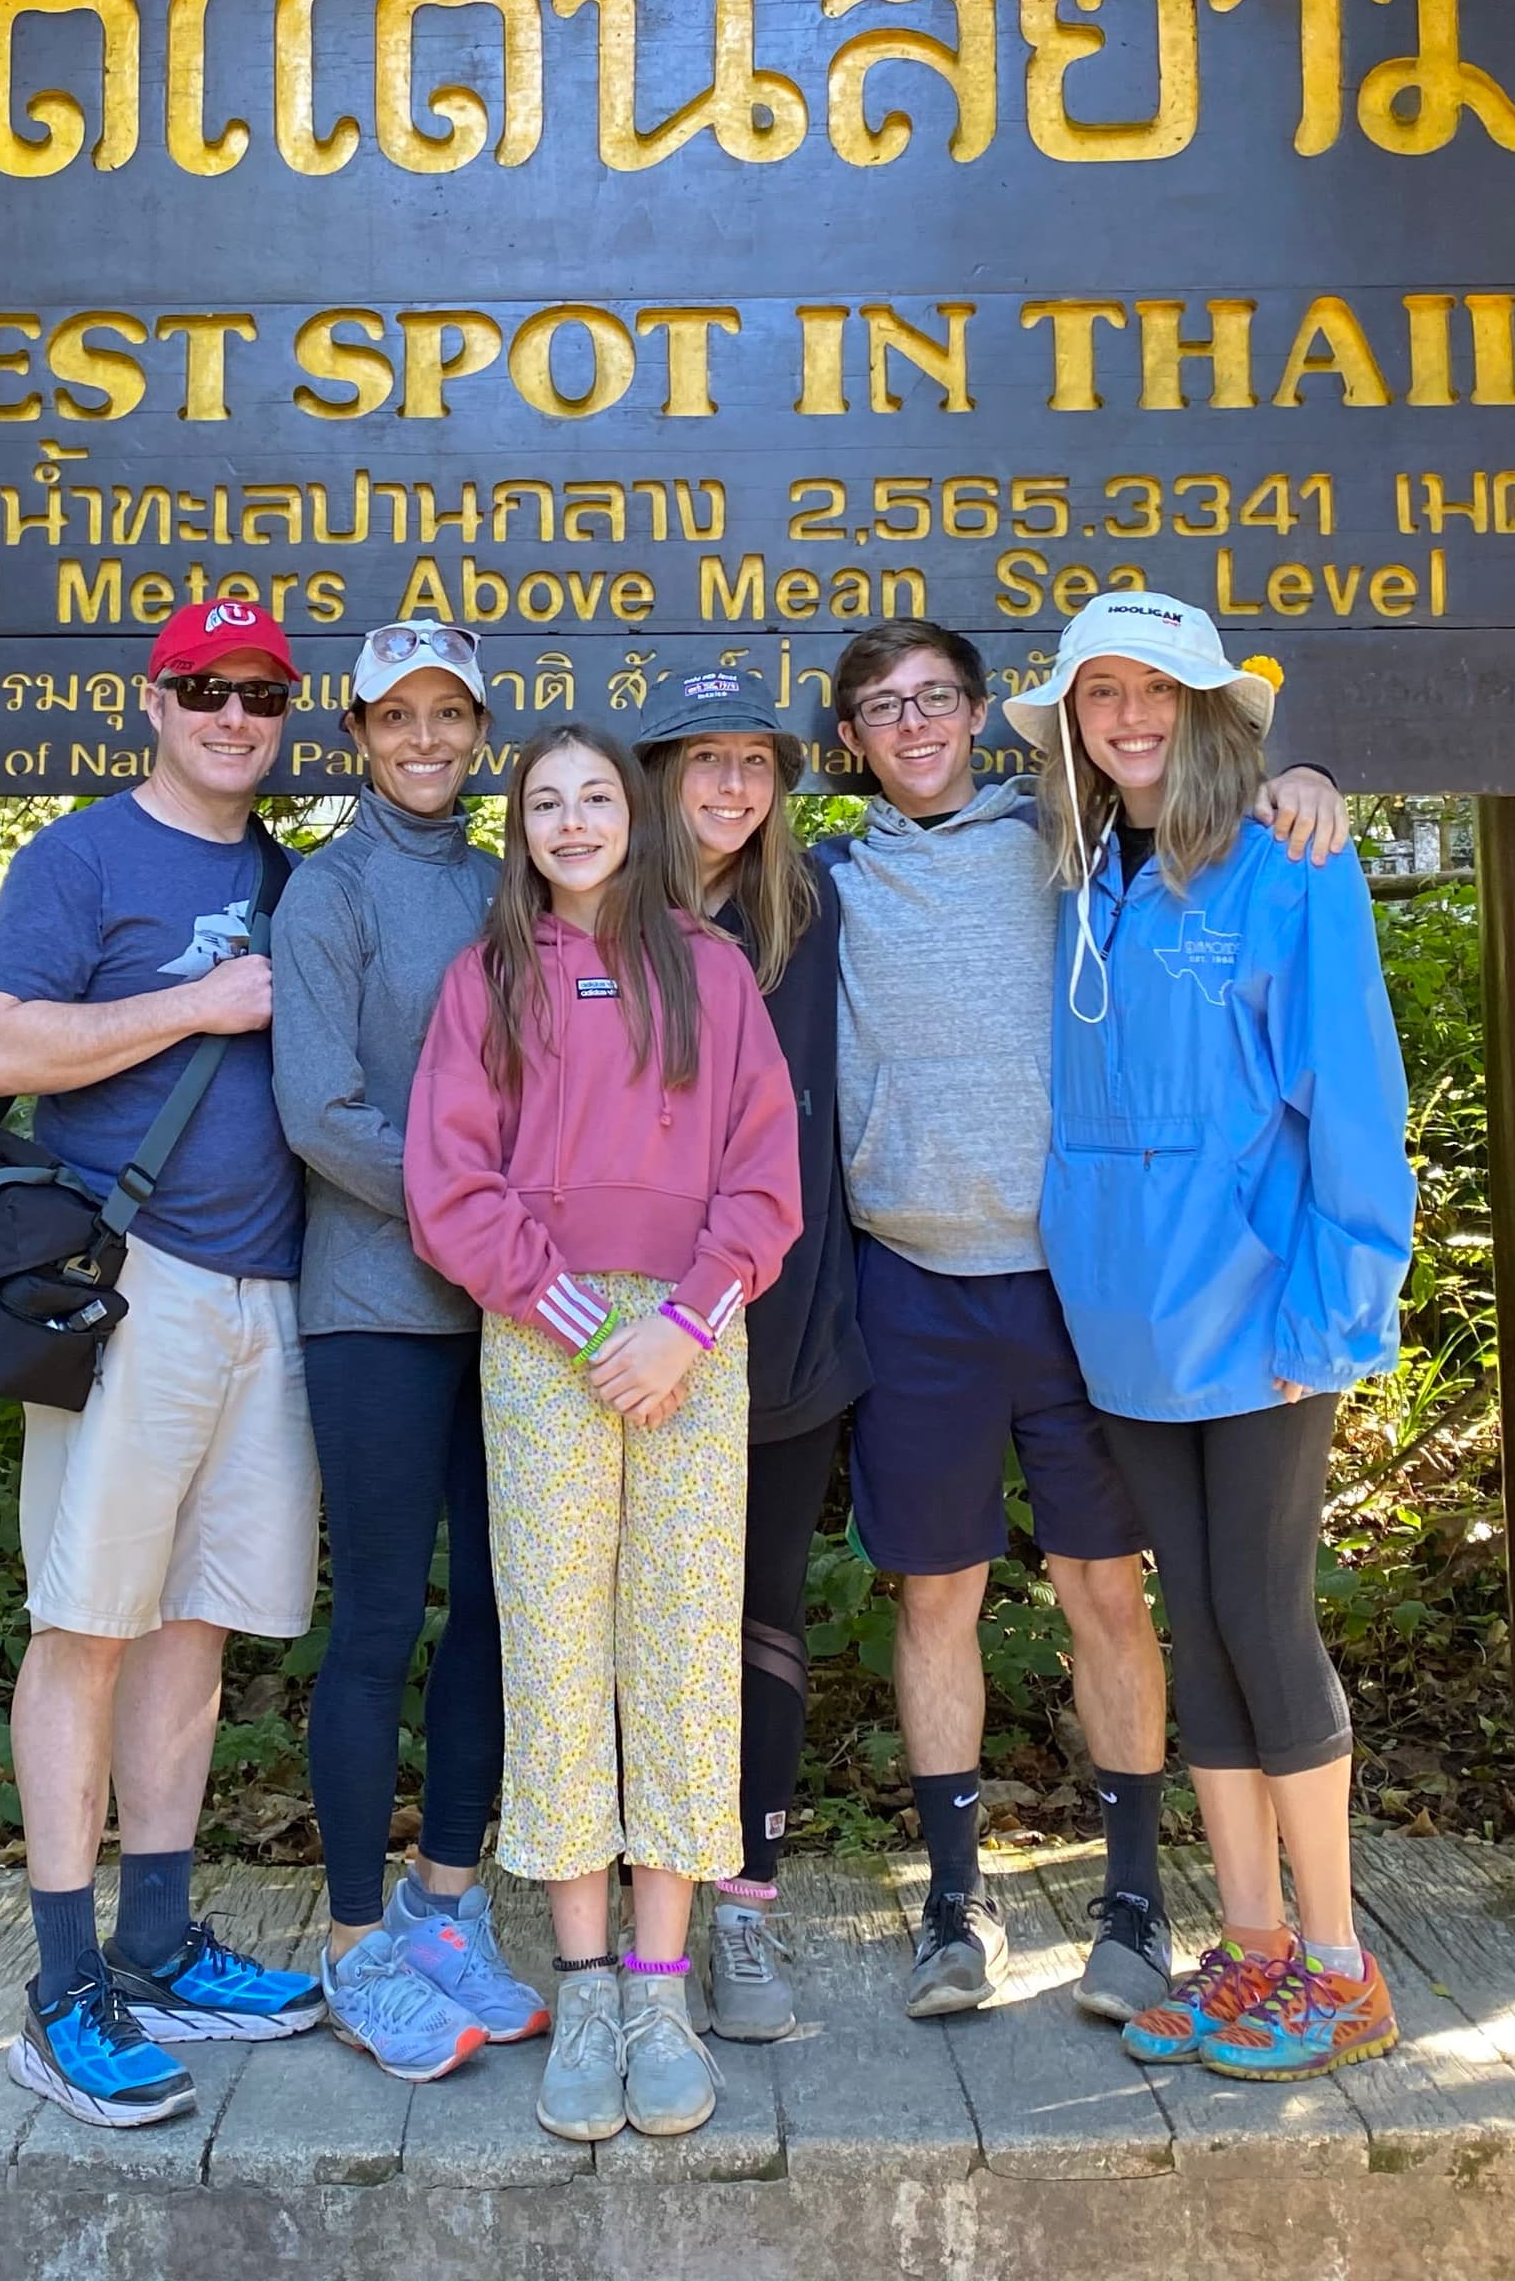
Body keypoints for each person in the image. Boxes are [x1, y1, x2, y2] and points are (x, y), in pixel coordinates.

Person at [821, 615, 1346, 2025]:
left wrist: (1302, 779)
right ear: (852, 741)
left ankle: (1131, 1902)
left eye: (937, 698)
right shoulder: (824, 881)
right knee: (935, 1595)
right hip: (910, 1278)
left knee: (1106, 1586)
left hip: (1077, 1284)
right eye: (885, 708)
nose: (916, 726)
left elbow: (1200, 812)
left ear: (981, 713)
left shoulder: (1064, 845)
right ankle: (953, 1906)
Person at [1010, 587, 1416, 2082]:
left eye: (1156, 689)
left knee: (1263, 1617)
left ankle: (1340, 1967)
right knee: (1198, 1620)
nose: (1128, 716)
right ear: (1073, 720)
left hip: (1261, 1319)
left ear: (1204, 708)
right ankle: (1250, 1948)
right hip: (1126, 1321)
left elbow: (1353, 1102)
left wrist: (1337, 1306)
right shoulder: (1074, 875)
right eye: (1099, 691)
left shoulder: (1290, 862)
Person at [0, 597, 327, 2130]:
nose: (235, 717)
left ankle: (160, 1945)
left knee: (197, 1623)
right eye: (207, 689)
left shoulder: (294, 878)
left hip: (273, 1294)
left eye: (261, 695)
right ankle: (64, 1991)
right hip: (132, 1287)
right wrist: (199, 1003)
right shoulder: (84, 859)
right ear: (157, 703)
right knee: (88, 1624)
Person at [404, 722, 801, 2145]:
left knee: (683, 1644)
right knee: (559, 1645)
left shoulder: (709, 971)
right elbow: (451, 1185)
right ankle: (582, 1984)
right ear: (519, 828)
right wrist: (579, 1322)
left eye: (594, 798)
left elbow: (765, 1171)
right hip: (543, 1336)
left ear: (634, 814)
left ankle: (657, 1986)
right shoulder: (489, 977)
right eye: (544, 804)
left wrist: (686, 1320)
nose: (572, 822)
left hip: (693, 1338)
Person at [269, 620, 548, 2080]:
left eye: (450, 715)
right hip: (376, 1305)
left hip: (508, 1314)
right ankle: (355, 1944)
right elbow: (321, 1114)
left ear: (480, 732)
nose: (425, 740)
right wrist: (475, 1218)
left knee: (496, 1614)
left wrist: (524, 1237)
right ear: (360, 737)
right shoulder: (330, 892)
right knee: (381, 1617)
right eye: (397, 718)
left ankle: (446, 1904)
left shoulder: (515, 886)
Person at [626, 664, 867, 2045]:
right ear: (660, 777)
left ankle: (746, 1906)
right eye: (704, 759)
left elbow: (1032, 843)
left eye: (756, 762)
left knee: (762, 1615)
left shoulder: (815, 905)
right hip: (629, 1332)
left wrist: (1301, 781)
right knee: (643, 1624)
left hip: (783, 1320)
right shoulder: (598, 906)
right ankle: (635, 1915)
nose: (730, 786)